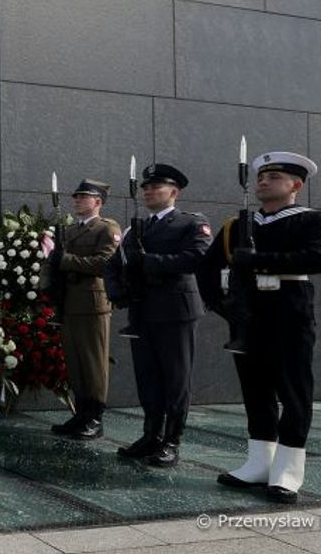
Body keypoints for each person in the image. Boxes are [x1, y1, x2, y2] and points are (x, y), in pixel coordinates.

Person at [197, 151, 321, 504]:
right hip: (249, 319)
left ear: (296, 185)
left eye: (273, 177)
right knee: (256, 392)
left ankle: (288, 472)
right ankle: (260, 463)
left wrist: (260, 261)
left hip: (289, 315)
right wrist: (221, 306)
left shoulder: (315, 219)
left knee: (293, 393)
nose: (263, 181)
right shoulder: (238, 225)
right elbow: (207, 268)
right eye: (261, 176)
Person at [105, 164, 211, 467]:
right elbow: (113, 265)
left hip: (175, 311)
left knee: (175, 378)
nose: (148, 191)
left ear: (174, 192)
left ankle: (171, 440)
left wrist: (148, 261)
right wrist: (117, 293)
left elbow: (196, 258)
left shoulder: (191, 223)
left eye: (156, 187)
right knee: (148, 377)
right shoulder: (135, 228)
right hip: (142, 311)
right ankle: (151, 434)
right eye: (146, 187)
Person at [40, 180, 121, 440]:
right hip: (70, 303)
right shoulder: (70, 230)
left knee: (94, 362)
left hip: (92, 305)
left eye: (83, 197)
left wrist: (62, 259)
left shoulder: (107, 228)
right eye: (75, 197)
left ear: (98, 202)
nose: (77, 200)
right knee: (75, 363)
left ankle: (95, 416)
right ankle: (81, 413)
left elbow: (103, 263)